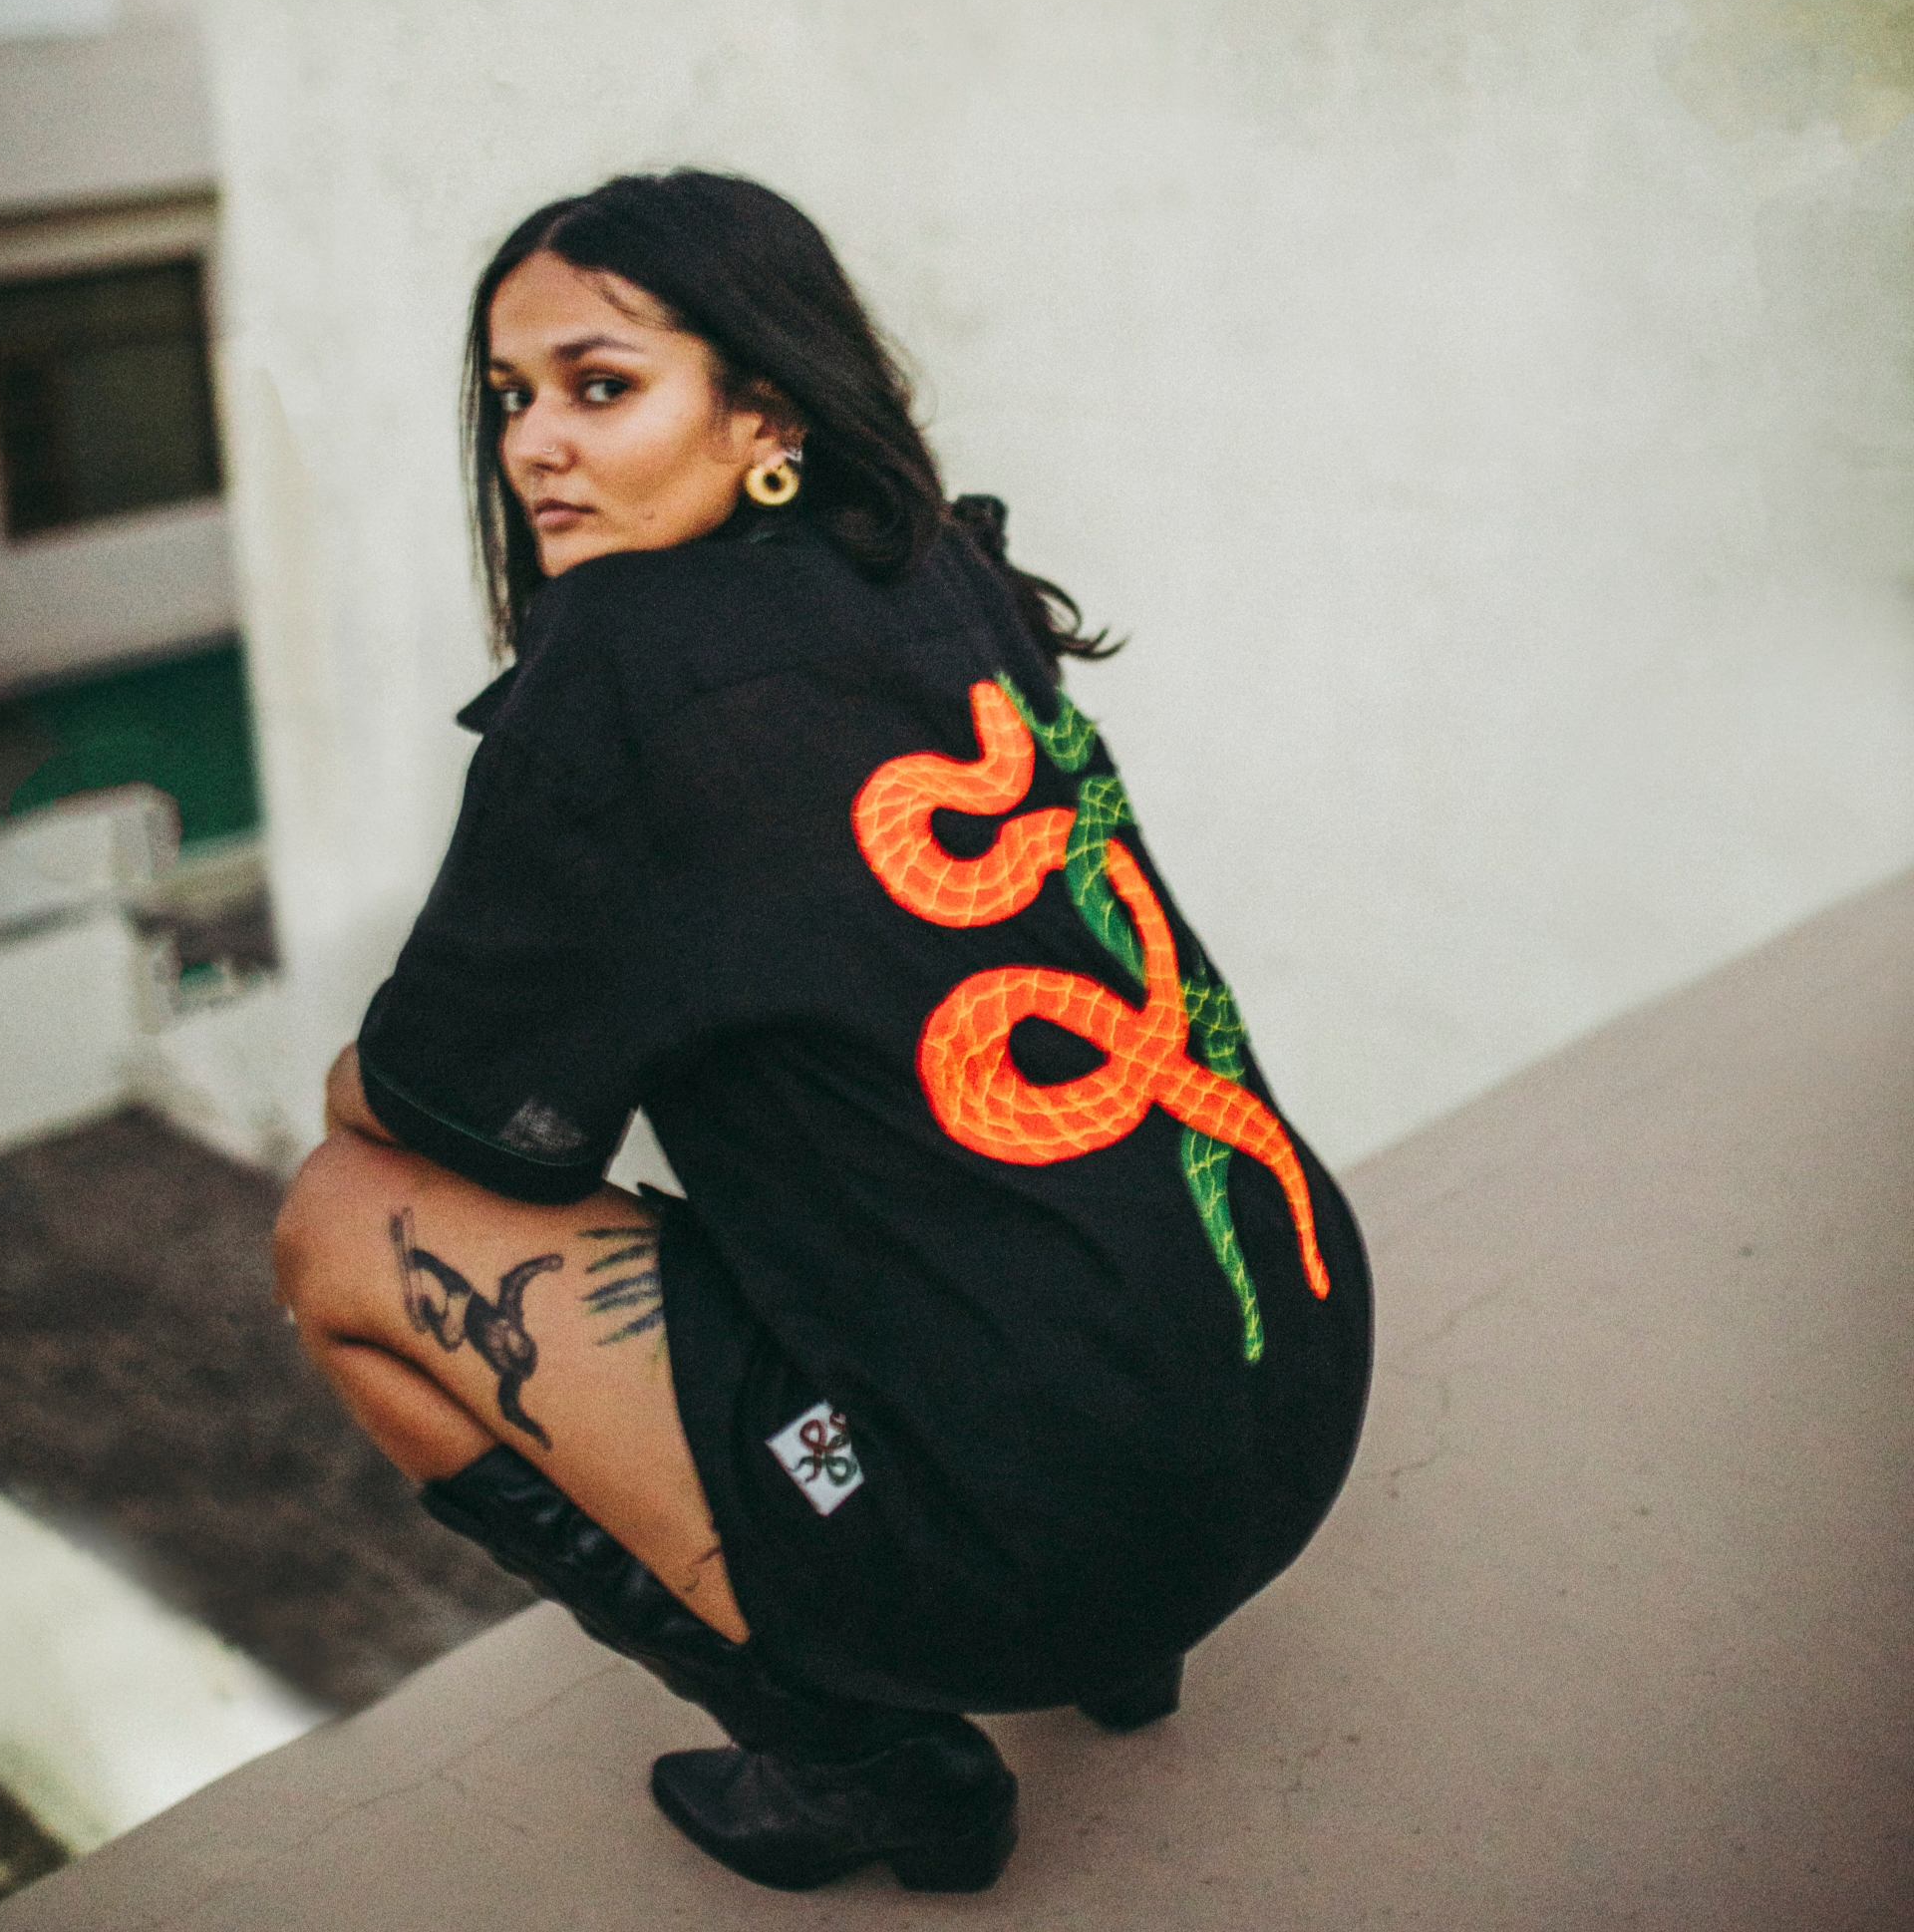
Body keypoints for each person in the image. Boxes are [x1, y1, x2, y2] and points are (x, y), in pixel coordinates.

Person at [272, 169, 1373, 1893]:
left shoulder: (626, 661)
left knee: (340, 1223)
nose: (533, 445)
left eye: (599, 385)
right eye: (509, 398)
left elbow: (449, 1105)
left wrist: (367, 1083)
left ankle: (863, 1761)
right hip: (1288, 1381)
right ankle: (1117, 1651)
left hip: (1050, 1530)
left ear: (764, 411)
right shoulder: (936, 570)